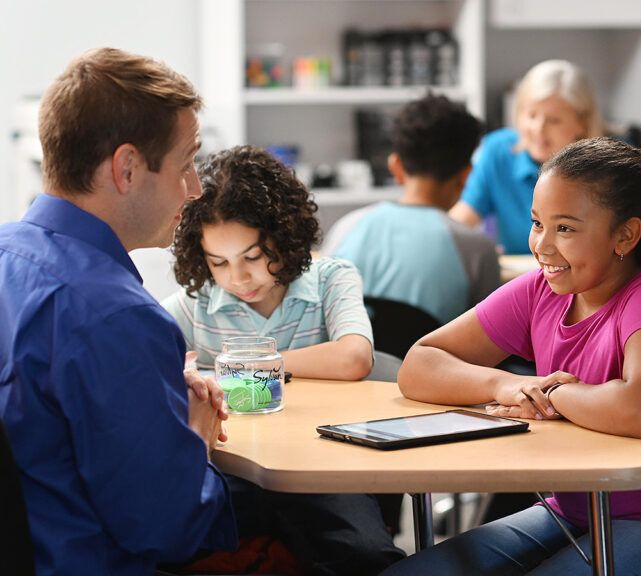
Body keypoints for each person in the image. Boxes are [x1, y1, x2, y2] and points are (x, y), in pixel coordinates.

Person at [382, 137, 641, 576]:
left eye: (566, 228)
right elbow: (420, 363)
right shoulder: (541, 289)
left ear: (625, 235)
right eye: (538, 223)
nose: (543, 246)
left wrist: (551, 394)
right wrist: (510, 385)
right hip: (579, 510)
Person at [0, 48, 237, 576]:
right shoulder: (115, 317)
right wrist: (197, 433)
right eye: (185, 164)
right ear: (127, 168)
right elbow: (170, 529)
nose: (195, 189)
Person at [162, 144, 406, 576]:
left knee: (369, 557)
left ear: (284, 234)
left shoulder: (331, 277)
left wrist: (245, 366)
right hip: (231, 471)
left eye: (253, 257)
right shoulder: (193, 304)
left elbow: (353, 357)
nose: (238, 278)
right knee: (161, 543)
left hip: (321, 467)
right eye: (219, 262)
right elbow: (158, 373)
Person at [322, 93, 500, 325]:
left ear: (395, 167)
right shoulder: (477, 250)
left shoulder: (346, 228)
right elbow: (492, 337)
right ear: (467, 174)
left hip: (354, 361)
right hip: (434, 361)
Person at [450, 59, 602, 254]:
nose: (538, 130)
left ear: (583, 122)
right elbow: (462, 218)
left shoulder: (608, 164)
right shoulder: (498, 150)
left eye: (554, 121)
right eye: (531, 116)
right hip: (519, 279)